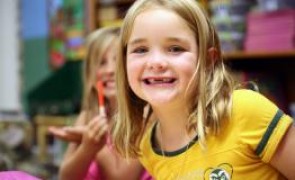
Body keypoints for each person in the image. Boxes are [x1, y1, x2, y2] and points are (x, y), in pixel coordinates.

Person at [112, 0, 295, 179]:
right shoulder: (147, 148)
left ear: (208, 60)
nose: (156, 62)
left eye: (175, 49)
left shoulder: (244, 110)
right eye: (141, 50)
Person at [49, 26, 151, 180]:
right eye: (101, 62)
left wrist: (93, 145)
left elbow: (122, 177)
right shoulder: (88, 116)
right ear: (90, 75)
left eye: (117, 61)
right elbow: (65, 177)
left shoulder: (148, 115)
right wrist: (86, 147)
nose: (109, 70)